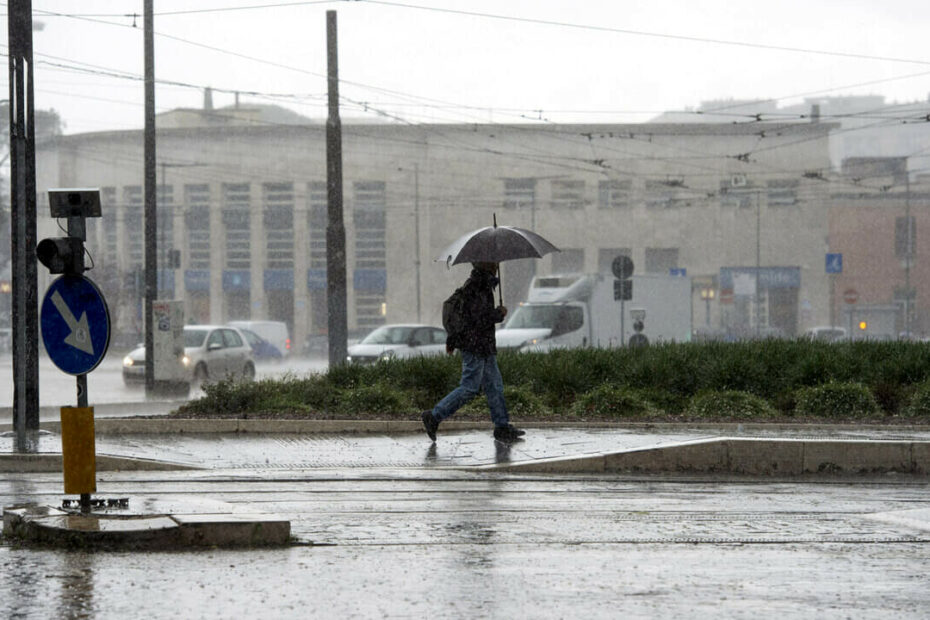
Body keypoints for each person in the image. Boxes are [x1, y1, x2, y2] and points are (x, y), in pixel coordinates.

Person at [421, 261, 525, 444]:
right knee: (469, 387)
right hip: (475, 346)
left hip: (483, 346)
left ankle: (501, 427)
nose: (497, 265)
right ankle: (434, 416)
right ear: (487, 266)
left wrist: (495, 314)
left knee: (494, 386)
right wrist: (497, 314)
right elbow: (478, 319)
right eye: (494, 263)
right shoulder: (476, 287)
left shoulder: (483, 285)